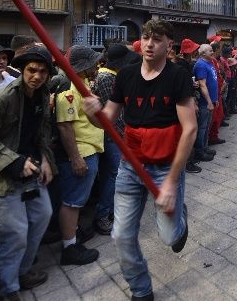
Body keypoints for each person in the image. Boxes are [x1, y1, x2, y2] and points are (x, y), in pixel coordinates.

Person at [83, 20, 196, 301]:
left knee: (170, 238)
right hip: (130, 167)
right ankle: (141, 289)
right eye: (146, 37)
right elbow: (105, 123)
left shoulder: (178, 76)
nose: (148, 43)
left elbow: (190, 128)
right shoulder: (126, 76)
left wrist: (171, 183)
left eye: (156, 39)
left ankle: (179, 216)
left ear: (169, 44)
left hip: (166, 168)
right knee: (121, 236)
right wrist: (91, 113)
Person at [0, 46, 56, 298]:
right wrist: (15, 162)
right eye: (32, 70)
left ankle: (22, 271)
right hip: (1, 176)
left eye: (43, 71)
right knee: (15, 233)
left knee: (42, 217)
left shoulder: (42, 94)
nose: (37, 76)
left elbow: (41, 131)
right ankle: (8, 287)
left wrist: (47, 160)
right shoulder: (1, 98)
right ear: (22, 70)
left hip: (32, 171)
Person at [53, 46, 104, 265]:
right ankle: (69, 248)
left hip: (88, 149)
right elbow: (65, 127)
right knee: (72, 202)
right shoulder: (68, 89)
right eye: (93, 63)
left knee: (76, 201)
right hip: (82, 152)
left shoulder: (79, 85)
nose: (96, 66)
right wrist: (76, 158)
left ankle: (72, 237)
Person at [93, 43, 132, 234]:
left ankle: (110, 210)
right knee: (112, 174)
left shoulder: (110, 75)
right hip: (112, 135)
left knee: (115, 173)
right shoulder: (107, 77)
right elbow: (112, 112)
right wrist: (121, 135)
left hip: (116, 133)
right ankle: (103, 214)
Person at [193, 44, 218, 163]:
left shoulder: (210, 62)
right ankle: (199, 151)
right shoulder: (200, 65)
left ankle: (205, 147)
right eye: (210, 51)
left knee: (207, 126)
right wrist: (209, 101)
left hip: (211, 100)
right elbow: (202, 85)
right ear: (202, 53)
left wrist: (215, 99)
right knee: (202, 127)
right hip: (204, 102)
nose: (213, 52)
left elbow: (212, 81)